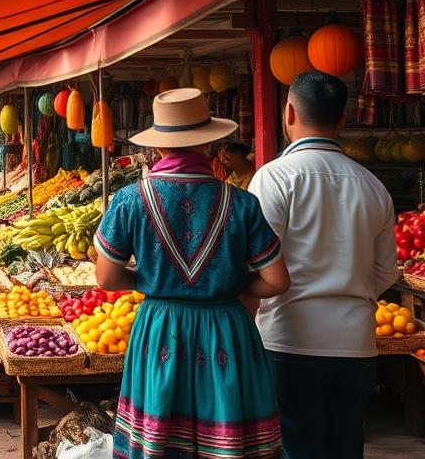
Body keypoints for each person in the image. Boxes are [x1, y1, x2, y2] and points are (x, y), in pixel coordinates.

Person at [92, 89, 287, 458]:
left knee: (160, 436)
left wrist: (148, 280)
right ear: (209, 142)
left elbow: (106, 278)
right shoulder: (242, 203)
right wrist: (234, 283)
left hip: (161, 328)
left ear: (158, 146)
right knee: (227, 433)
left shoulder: (131, 200)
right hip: (226, 328)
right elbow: (277, 280)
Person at [248, 72, 397, 459]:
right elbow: (386, 272)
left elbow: (255, 263)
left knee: (297, 447)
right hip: (355, 343)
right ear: (342, 121)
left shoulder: (275, 177)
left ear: (289, 113)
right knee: (346, 445)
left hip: (289, 339)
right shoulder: (373, 185)